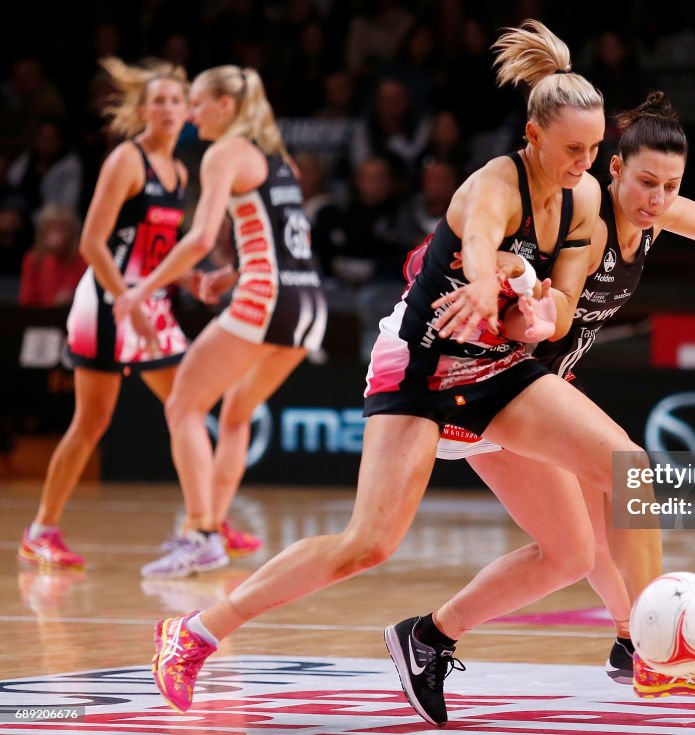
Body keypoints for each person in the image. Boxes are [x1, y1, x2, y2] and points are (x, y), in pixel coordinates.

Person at [144, 18, 655, 719]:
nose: (585, 162)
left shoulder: (585, 197)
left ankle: (606, 643)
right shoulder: (494, 180)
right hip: (420, 365)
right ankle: (193, 633)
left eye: (595, 149)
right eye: (573, 148)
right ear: (533, 137)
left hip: (497, 370)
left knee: (604, 502)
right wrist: (485, 277)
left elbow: (563, 300)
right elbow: (479, 238)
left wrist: (546, 315)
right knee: (369, 542)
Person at [408, 92, 695, 713]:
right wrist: (523, 307)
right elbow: (524, 303)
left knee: (578, 548)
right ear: (614, 169)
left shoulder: (652, 215)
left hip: (536, 387)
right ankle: (658, 655)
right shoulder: (589, 224)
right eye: (647, 181)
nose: (658, 199)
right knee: (629, 479)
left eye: (671, 187)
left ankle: (436, 637)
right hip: (495, 381)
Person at [114, 64, 327, 578]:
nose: (189, 113)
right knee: (234, 416)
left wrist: (143, 287)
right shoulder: (280, 161)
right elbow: (286, 244)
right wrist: (233, 273)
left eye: (198, 103)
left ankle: (200, 533)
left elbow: (200, 237)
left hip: (267, 297)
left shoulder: (225, 153)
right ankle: (212, 529)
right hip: (308, 302)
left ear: (225, 107)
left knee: (184, 405)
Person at [17, 58, 190, 570]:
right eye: (157, 99)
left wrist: (189, 278)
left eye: (176, 100)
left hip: (148, 300)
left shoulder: (178, 170)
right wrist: (126, 303)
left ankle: (204, 520)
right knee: (91, 422)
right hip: (109, 300)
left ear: (187, 111)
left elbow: (155, 251)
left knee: (188, 403)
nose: (167, 108)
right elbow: (92, 242)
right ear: (142, 109)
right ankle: (41, 529)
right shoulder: (126, 161)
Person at [17, 203, 87, 307]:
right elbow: (26, 299)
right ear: (42, 232)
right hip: (38, 317)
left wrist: (71, 296)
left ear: (73, 233)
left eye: (62, 228)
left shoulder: (83, 259)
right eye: (51, 228)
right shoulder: (33, 259)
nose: (57, 234)